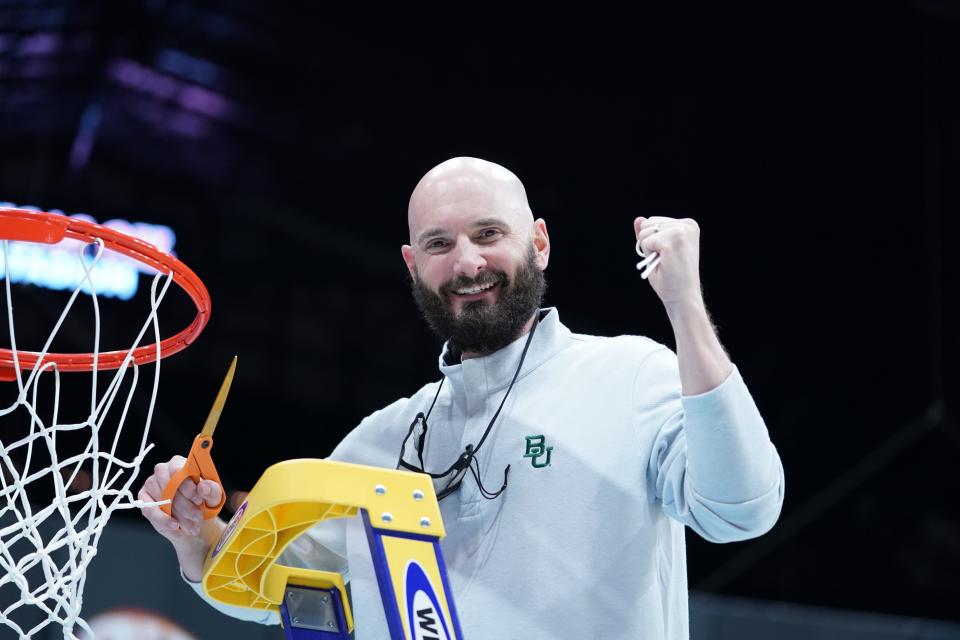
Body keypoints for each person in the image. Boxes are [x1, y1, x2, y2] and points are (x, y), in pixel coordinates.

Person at [138, 157, 785, 639]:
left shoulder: (627, 373)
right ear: (412, 264)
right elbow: (280, 588)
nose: (467, 262)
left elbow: (742, 508)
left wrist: (684, 305)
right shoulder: (381, 439)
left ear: (538, 242)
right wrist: (199, 538)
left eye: (488, 234)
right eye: (439, 244)